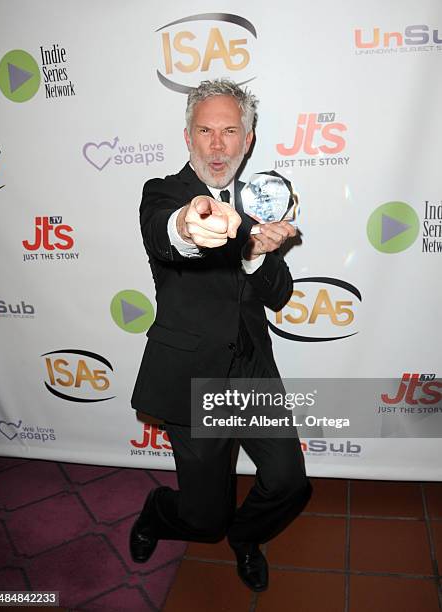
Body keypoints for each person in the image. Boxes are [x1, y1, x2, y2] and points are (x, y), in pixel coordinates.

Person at [130, 78, 312, 592]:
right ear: (187, 136)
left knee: (287, 482)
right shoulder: (163, 193)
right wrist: (190, 227)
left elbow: (278, 295)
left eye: (229, 131)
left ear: (247, 140)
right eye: (204, 130)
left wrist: (256, 252)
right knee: (202, 518)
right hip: (193, 377)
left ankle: (247, 537)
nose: (216, 145)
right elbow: (166, 234)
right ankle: (158, 511)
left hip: (252, 371)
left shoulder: (258, 205)